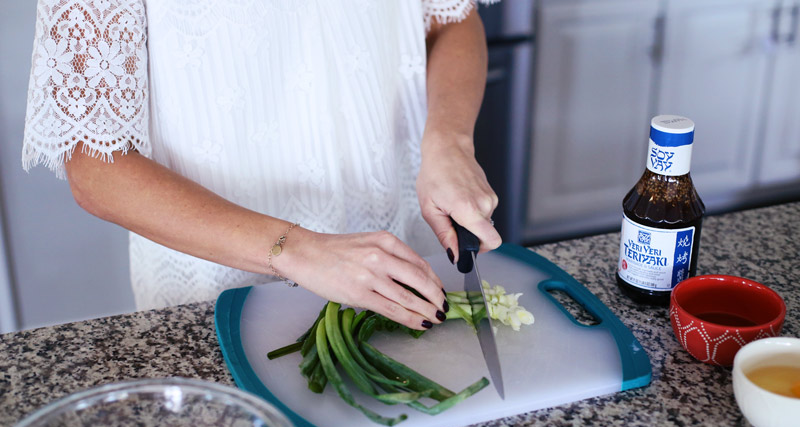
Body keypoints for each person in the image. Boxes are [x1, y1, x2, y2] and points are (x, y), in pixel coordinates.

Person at [22, 0, 502, 331]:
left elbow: (450, 20)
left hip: (407, 256)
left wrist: (450, 140)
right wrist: (298, 250)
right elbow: (96, 167)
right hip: (219, 295)